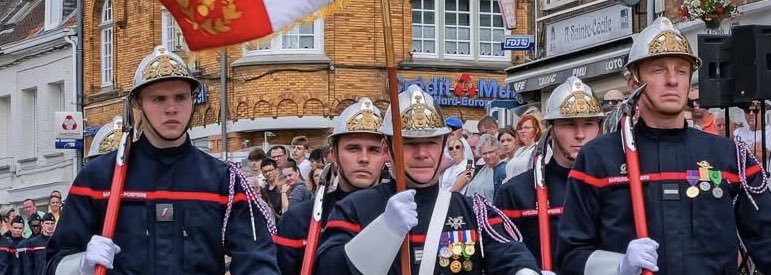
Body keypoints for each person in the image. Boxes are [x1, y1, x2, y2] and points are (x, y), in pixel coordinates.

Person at [556, 17, 771, 275]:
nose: (672, 80)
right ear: (634, 83)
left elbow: (769, 238)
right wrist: (618, 266)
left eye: (681, 70)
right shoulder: (599, 158)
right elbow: (571, 255)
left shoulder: (727, 155)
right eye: (658, 70)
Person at [45, 45, 279, 274]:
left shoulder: (223, 180)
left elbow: (257, 258)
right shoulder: (97, 178)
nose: (171, 108)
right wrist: (81, 265)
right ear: (137, 103)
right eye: (158, 99)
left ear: (193, 99)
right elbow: (54, 263)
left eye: (180, 97)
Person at [315, 85, 543, 275]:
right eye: (410, 143)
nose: (422, 153)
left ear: (443, 145)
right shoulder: (353, 208)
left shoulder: (472, 210)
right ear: (386, 149)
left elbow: (510, 253)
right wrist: (383, 231)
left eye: (431, 143)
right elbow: (327, 267)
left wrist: (525, 271)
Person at [495, 76, 604, 271]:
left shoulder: (614, 185)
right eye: (569, 124)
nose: (580, 134)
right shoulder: (516, 192)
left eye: (589, 123)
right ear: (551, 129)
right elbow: (501, 252)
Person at [275, 97, 391, 275]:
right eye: (353, 148)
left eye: (374, 150)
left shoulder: (398, 215)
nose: (364, 158)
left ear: (386, 155)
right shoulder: (298, 220)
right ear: (334, 154)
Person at [463, 134, 506, 202]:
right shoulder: (479, 169)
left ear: (498, 151)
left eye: (491, 152)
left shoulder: (503, 170)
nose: (488, 156)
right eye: (484, 153)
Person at [506, 114, 542, 180]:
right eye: (520, 128)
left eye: (527, 128)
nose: (522, 131)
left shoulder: (541, 148)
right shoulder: (519, 151)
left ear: (536, 130)